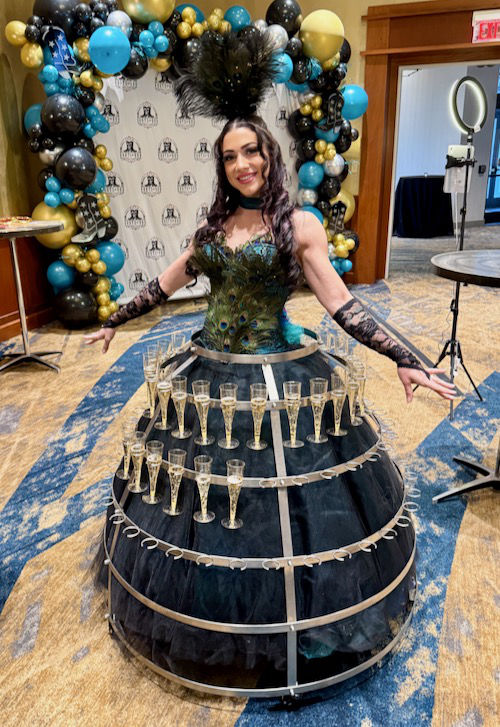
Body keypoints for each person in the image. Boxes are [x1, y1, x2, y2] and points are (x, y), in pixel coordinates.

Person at [84, 32, 454, 697]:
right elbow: (162, 286)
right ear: (221, 165)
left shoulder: (299, 224)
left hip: (278, 372)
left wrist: (408, 356)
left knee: (287, 504)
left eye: (251, 151)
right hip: (208, 374)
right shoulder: (212, 231)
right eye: (230, 156)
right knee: (204, 504)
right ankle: (217, 613)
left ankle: (289, 624)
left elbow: (343, 307)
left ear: (269, 155)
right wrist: (111, 321)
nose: (242, 164)